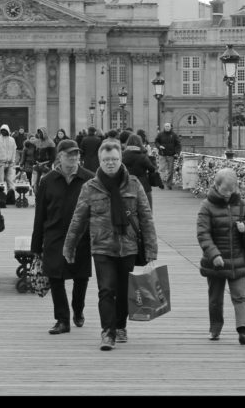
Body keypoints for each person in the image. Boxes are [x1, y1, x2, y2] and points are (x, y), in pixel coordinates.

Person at [63, 139, 158, 351]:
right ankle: (108, 332)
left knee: (124, 290)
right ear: (100, 161)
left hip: (128, 246)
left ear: (120, 159)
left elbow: (146, 218)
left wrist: (151, 251)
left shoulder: (134, 184)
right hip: (102, 246)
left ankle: (121, 325)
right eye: (106, 160)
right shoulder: (90, 187)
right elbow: (78, 219)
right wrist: (69, 246)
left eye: (114, 159)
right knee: (106, 290)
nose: (110, 163)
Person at [31, 139, 93, 335]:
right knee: (55, 277)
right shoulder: (48, 180)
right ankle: (62, 319)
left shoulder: (89, 179)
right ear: (60, 156)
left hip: (81, 237)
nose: (74, 157)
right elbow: (40, 214)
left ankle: (78, 308)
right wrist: (36, 246)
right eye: (69, 154)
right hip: (54, 235)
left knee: (81, 277)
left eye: (76, 154)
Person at [197, 168, 245, 343]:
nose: (229, 193)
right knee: (215, 298)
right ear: (216, 186)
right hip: (216, 261)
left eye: (233, 189)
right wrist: (214, 254)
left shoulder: (241, 204)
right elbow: (203, 234)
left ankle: (243, 330)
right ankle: (215, 328)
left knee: (239, 295)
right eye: (226, 190)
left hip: (238, 258)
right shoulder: (206, 206)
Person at [121, 134, 158, 209]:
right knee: (147, 207)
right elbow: (152, 169)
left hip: (126, 184)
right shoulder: (142, 156)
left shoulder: (122, 155)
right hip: (143, 184)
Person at [153, 122, 182, 190]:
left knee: (170, 170)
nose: (167, 127)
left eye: (168, 126)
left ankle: (169, 184)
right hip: (162, 154)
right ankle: (161, 183)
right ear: (164, 127)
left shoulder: (174, 135)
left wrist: (177, 152)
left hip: (171, 155)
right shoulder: (160, 134)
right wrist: (159, 146)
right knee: (161, 169)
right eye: (166, 126)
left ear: (170, 127)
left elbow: (178, 144)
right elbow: (156, 142)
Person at [0, 124, 17, 192]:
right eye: (2, 130)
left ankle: (11, 196)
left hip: (10, 164)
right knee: (1, 182)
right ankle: (2, 196)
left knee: (10, 180)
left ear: (8, 131)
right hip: (1, 164)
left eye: (5, 130)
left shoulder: (12, 140)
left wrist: (13, 161)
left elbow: (14, 151)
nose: (3, 132)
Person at [31, 127, 56, 194]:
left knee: (45, 184)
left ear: (44, 133)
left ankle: (44, 200)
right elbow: (34, 153)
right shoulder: (37, 141)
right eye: (38, 133)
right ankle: (37, 200)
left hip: (45, 166)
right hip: (37, 165)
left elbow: (53, 156)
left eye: (40, 133)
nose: (39, 134)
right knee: (35, 184)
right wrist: (34, 161)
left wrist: (48, 165)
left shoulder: (50, 143)